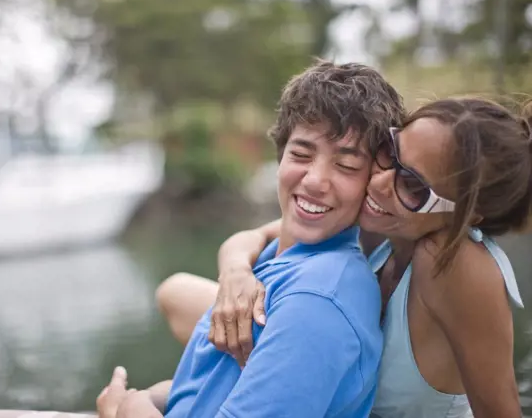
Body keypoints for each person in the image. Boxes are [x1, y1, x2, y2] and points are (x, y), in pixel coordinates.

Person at [157, 97, 532, 417]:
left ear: (468, 215)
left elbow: (500, 411)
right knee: (175, 293)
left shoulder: (456, 262)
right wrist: (236, 275)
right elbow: (254, 236)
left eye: (413, 186)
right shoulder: (380, 217)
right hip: (329, 379)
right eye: (390, 153)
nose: (381, 182)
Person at [96, 61, 406, 418]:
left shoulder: (319, 297)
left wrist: (129, 409)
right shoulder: (283, 259)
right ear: (280, 155)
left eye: (347, 166)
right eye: (301, 155)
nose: (315, 180)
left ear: (373, 181)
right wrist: (155, 398)